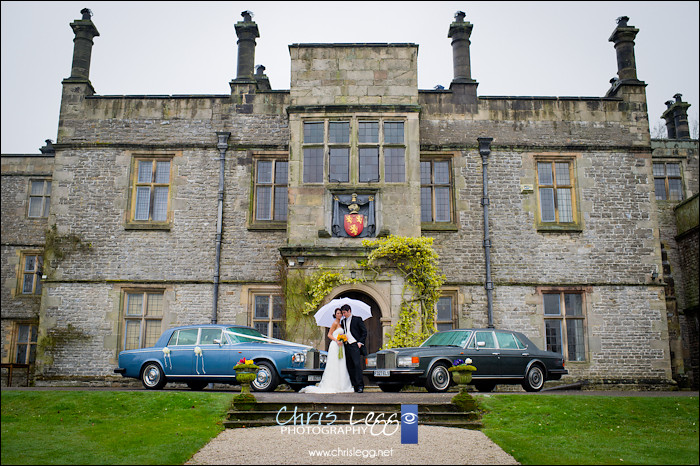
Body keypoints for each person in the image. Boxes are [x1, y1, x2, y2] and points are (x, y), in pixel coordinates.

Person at [300, 308, 354, 393]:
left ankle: (342, 385)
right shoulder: (335, 323)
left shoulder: (341, 324)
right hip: (335, 345)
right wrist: (337, 340)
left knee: (341, 364)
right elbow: (329, 334)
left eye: (341, 313)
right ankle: (332, 384)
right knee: (334, 364)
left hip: (340, 346)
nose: (340, 315)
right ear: (335, 314)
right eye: (338, 313)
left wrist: (343, 338)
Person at [340, 303, 367, 393]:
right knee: (349, 366)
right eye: (342, 313)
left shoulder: (357, 319)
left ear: (349, 311)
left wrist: (360, 342)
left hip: (355, 344)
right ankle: (354, 385)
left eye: (344, 313)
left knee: (356, 365)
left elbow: (364, 332)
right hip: (346, 345)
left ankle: (360, 386)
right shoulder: (343, 322)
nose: (343, 315)